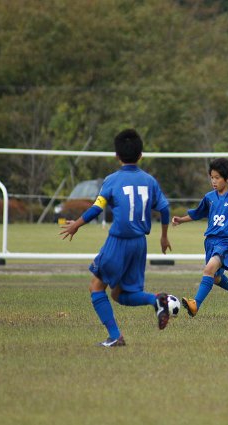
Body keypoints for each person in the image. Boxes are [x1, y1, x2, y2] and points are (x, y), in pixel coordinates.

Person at [60, 129, 172, 346]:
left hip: (118, 242)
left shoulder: (111, 180)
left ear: (116, 155)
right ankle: (156, 299)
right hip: (139, 244)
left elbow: (97, 207)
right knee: (119, 294)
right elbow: (165, 208)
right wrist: (164, 236)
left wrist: (76, 225)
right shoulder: (150, 181)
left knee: (96, 287)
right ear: (141, 155)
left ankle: (115, 336)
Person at [173, 158, 228, 317]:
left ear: (227, 178)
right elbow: (197, 214)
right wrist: (181, 220)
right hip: (210, 241)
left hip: (227, 242)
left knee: (208, 270)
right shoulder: (209, 197)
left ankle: (195, 304)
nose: (213, 181)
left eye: (217, 177)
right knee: (215, 277)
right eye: (212, 177)